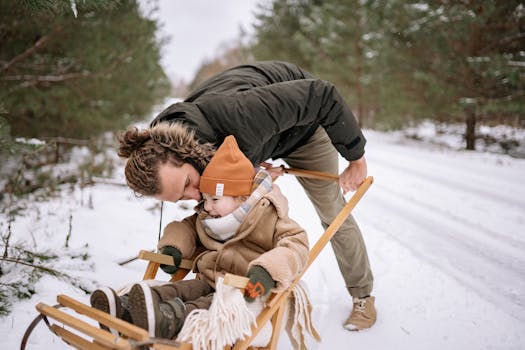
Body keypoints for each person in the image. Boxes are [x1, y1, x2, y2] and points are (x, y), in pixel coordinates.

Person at [118, 60, 376, 330]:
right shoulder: (159, 147)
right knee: (221, 210)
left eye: (187, 184)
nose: (195, 197)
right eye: (181, 198)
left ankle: (363, 295)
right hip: (256, 136)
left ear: (185, 153)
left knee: (332, 211)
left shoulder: (241, 115)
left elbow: (322, 95)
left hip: (305, 126)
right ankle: (207, 290)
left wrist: (355, 157)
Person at [91, 135, 309, 339]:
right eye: (205, 199)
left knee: (205, 305)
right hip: (209, 278)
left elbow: (295, 244)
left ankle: (168, 319)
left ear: (242, 197)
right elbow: (184, 228)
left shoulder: (269, 216)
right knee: (179, 289)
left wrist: (266, 271)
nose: (207, 206)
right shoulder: (207, 218)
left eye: (215, 199)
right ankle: (125, 308)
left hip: (241, 290)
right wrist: (173, 248)